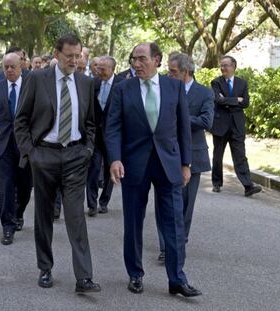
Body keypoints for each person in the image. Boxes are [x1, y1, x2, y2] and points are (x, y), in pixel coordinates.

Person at [105, 43, 201, 297]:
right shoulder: (123, 88)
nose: (136, 64)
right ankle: (135, 274)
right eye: (133, 59)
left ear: (157, 60)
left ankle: (177, 279)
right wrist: (115, 159)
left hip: (168, 164)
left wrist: (185, 164)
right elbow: (112, 127)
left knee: (174, 224)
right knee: (134, 223)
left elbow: (183, 130)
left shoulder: (174, 87)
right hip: (134, 165)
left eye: (142, 59)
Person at [14, 34, 100, 293]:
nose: (74, 61)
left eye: (78, 56)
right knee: (44, 215)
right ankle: (45, 268)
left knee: (76, 217)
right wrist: (31, 154)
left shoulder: (85, 83)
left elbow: (91, 123)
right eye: (69, 56)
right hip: (45, 156)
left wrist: (88, 149)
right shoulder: (36, 79)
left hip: (75, 156)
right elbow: (21, 121)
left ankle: (83, 277)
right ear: (56, 54)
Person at [154, 52, 214, 261]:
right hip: (164, 154)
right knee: (163, 201)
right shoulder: (162, 89)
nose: (168, 75)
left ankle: (179, 242)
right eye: (168, 71)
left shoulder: (205, 93)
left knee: (185, 206)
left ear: (186, 72)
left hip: (193, 157)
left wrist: (180, 118)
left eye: (173, 72)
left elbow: (207, 121)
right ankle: (165, 248)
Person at [0, 53, 33, 245]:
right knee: (5, 187)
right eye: (6, 67)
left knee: (25, 186)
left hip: (25, 145)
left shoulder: (30, 87)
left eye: (13, 67)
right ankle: (7, 227)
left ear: (21, 66)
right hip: (2, 145)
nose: (9, 70)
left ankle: (19, 213)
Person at [210, 55, 262, 197]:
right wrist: (235, 100)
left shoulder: (242, 83)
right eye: (221, 65)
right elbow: (218, 100)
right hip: (220, 124)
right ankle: (217, 183)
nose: (223, 68)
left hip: (237, 125)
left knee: (240, 155)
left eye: (226, 65)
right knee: (218, 155)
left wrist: (228, 100)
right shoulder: (216, 82)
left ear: (234, 67)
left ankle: (248, 186)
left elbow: (245, 103)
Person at [86, 56, 122, 217]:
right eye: (98, 68)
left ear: (112, 69)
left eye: (103, 68)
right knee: (93, 168)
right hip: (95, 134)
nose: (99, 71)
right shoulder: (93, 83)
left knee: (109, 169)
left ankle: (103, 202)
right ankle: (91, 204)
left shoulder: (121, 85)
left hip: (112, 135)